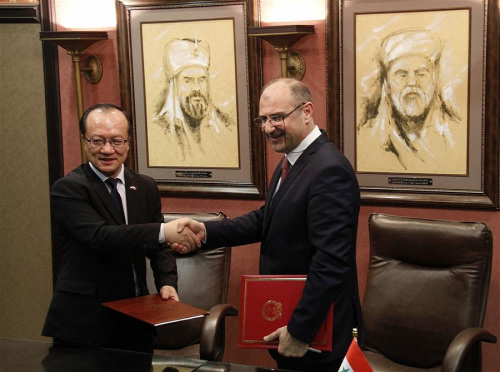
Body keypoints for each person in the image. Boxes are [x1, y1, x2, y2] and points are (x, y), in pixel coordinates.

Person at [176, 78, 363, 372]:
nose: (268, 128)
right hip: (291, 322)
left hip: (317, 333)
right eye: (263, 119)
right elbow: (268, 217)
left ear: (307, 111)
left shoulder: (329, 169)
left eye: (277, 117)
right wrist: (208, 231)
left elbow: (331, 261)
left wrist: (300, 330)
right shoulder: (293, 160)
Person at [42, 103, 202, 353]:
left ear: (128, 142)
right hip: (85, 324)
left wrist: (167, 282)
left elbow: (156, 245)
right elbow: (101, 237)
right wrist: (163, 231)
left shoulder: (145, 186)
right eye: (97, 141)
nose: (107, 150)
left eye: (116, 141)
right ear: (85, 141)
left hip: (136, 321)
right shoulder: (69, 188)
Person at [357, 28, 465, 174]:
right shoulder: (366, 138)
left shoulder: (457, 134)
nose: (412, 83)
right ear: (387, 84)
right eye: (402, 75)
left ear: (434, 81)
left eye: (421, 74)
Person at [150, 37, 238, 167]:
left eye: (202, 80)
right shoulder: (159, 130)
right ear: (175, 87)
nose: (197, 88)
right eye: (188, 81)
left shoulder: (226, 125)